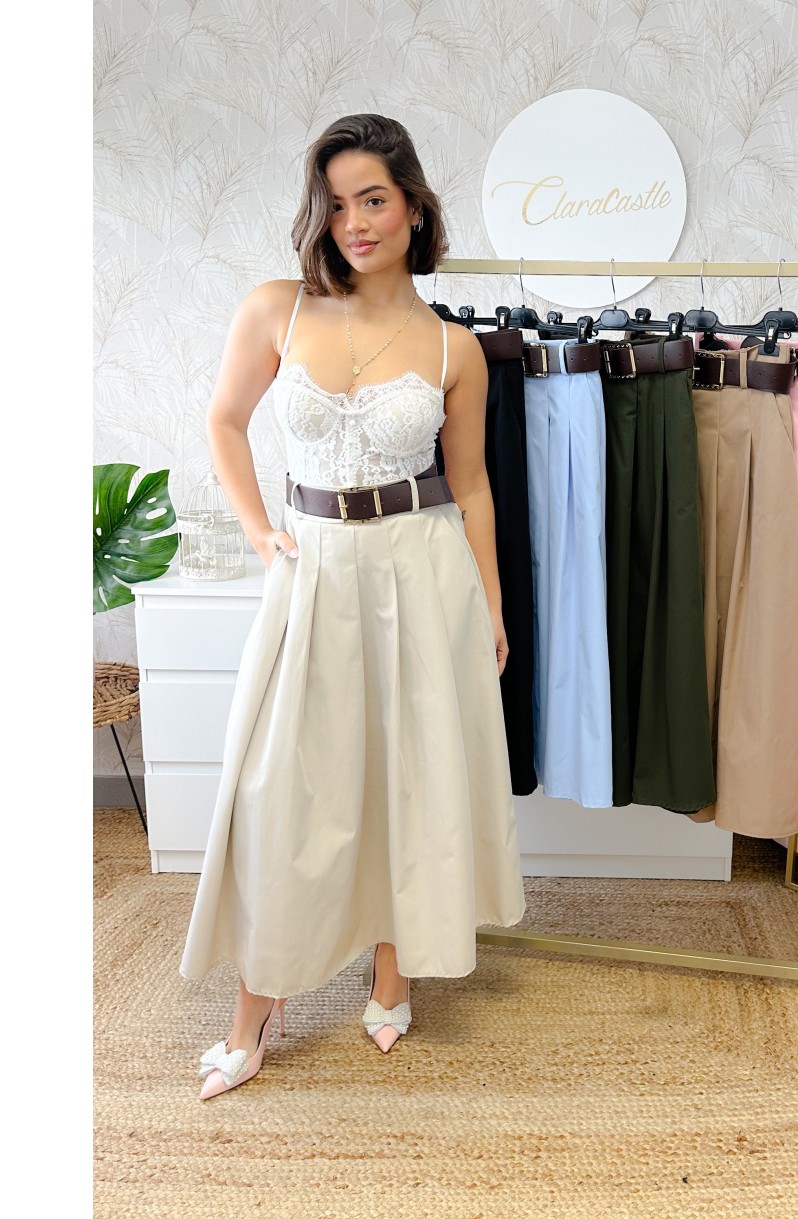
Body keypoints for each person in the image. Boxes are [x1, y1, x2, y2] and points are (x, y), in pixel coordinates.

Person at [179, 113, 527, 1099]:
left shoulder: (455, 347)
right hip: (315, 567)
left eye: (372, 199)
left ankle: (391, 972)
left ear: (413, 206)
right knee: (281, 792)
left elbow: (473, 487)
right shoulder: (277, 309)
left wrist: (492, 604)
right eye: (335, 205)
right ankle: (254, 1011)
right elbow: (224, 421)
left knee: (408, 773)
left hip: (422, 569)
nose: (354, 223)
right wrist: (261, 533)